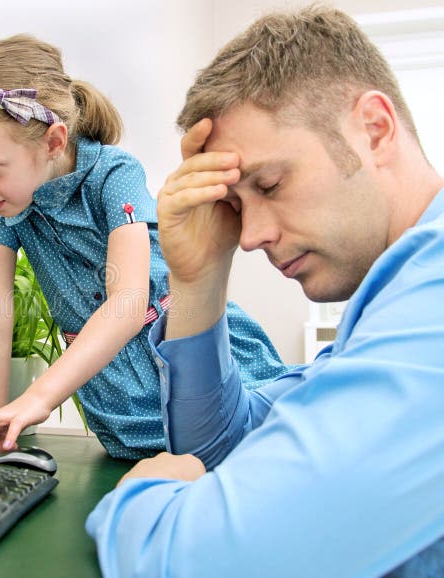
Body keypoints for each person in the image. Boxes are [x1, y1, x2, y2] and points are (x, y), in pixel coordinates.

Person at [85, 5, 444, 577]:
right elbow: (222, 444)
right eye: (235, 204)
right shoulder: (385, 313)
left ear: (374, 130)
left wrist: (141, 495)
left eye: (271, 184)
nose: (250, 236)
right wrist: (199, 276)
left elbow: (198, 562)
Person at [0, 34, 287, 474]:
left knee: (258, 459)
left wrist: (35, 400)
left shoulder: (113, 172)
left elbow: (126, 304)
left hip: (187, 360)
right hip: (120, 404)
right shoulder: (3, 205)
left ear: (52, 141)